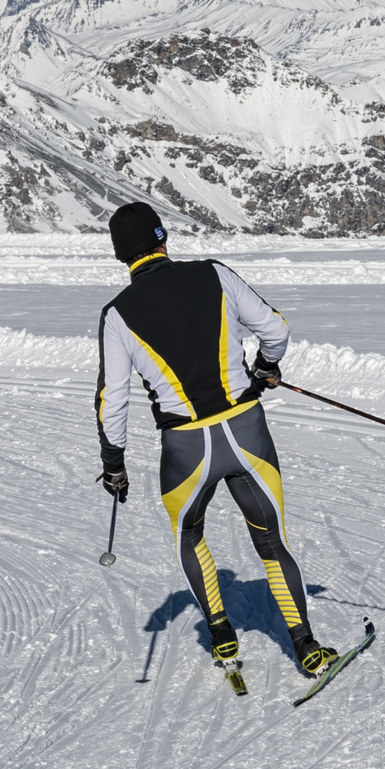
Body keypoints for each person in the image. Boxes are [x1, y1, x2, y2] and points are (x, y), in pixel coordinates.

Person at [94, 201, 334, 676]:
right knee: (271, 542)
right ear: (163, 239)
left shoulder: (117, 315)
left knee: (190, 534)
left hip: (186, 449)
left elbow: (112, 401)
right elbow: (275, 329)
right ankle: (305, 645)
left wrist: (114, 462)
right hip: (247, 432)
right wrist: (266, 366)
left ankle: (221, 633)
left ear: (122, 257)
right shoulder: (213, 273)